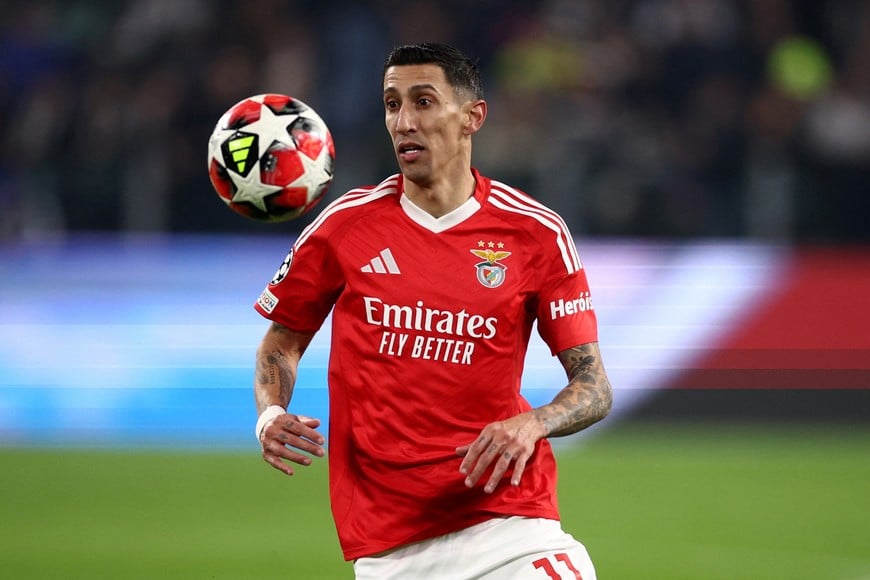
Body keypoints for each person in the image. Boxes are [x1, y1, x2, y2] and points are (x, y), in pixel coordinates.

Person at [252, 42, 613, 579]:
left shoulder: (535, 233)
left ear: (472, 117)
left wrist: (532, 424)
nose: (403, 121)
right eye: (392, 104)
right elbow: (280, 344)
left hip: (509, 526)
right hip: (390, 548)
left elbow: (594, 387)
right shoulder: (342, 228)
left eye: (423, 102)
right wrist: (270, 415)